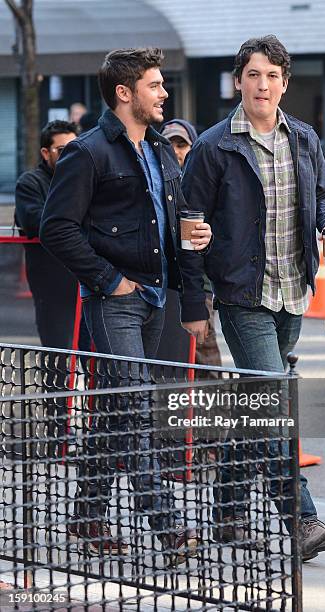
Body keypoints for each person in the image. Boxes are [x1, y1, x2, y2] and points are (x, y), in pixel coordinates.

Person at [180, 35, 325, 561]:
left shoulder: (303, 138)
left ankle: (227, 515)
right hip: (241, 292)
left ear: (284, 83)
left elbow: (322, 191)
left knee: (255, 407)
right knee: (274, 403)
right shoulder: (214, 145)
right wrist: (193, 302)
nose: (263, 84)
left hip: (292, 289)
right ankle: (299, 519)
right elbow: (189, 224)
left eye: (273, 75)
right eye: (254, 74)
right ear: (239, 82)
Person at [40, 47, 212, 563]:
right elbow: (56, 227)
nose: (164, 94)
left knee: (117, 411)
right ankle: (165, 522)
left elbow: (172, 225)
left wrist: (193, 288)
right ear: (124, 92)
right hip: (115, 300)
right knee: (135, 409)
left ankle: (87, 518)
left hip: (156, 297)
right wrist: (107, 279)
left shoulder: (160, 150)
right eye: (155, 85)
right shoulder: (89, 152)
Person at [160, 119, 222, 373]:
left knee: (203, 351)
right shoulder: (153, 180)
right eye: (169, 144)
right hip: (160, 284)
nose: (175, 150)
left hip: (199, 284)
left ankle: (212, 411)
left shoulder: (202, 181)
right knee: (167, 356)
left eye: (181, 144)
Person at [14, 120, 79, 349]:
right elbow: (39, 224)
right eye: (62, 151)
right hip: (52, 287)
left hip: (87, 284)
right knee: (57, 362)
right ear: (45, 152)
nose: (70, 156)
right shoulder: (30, 183)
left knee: (96, 361)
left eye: (75, 149)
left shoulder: (84, 180)